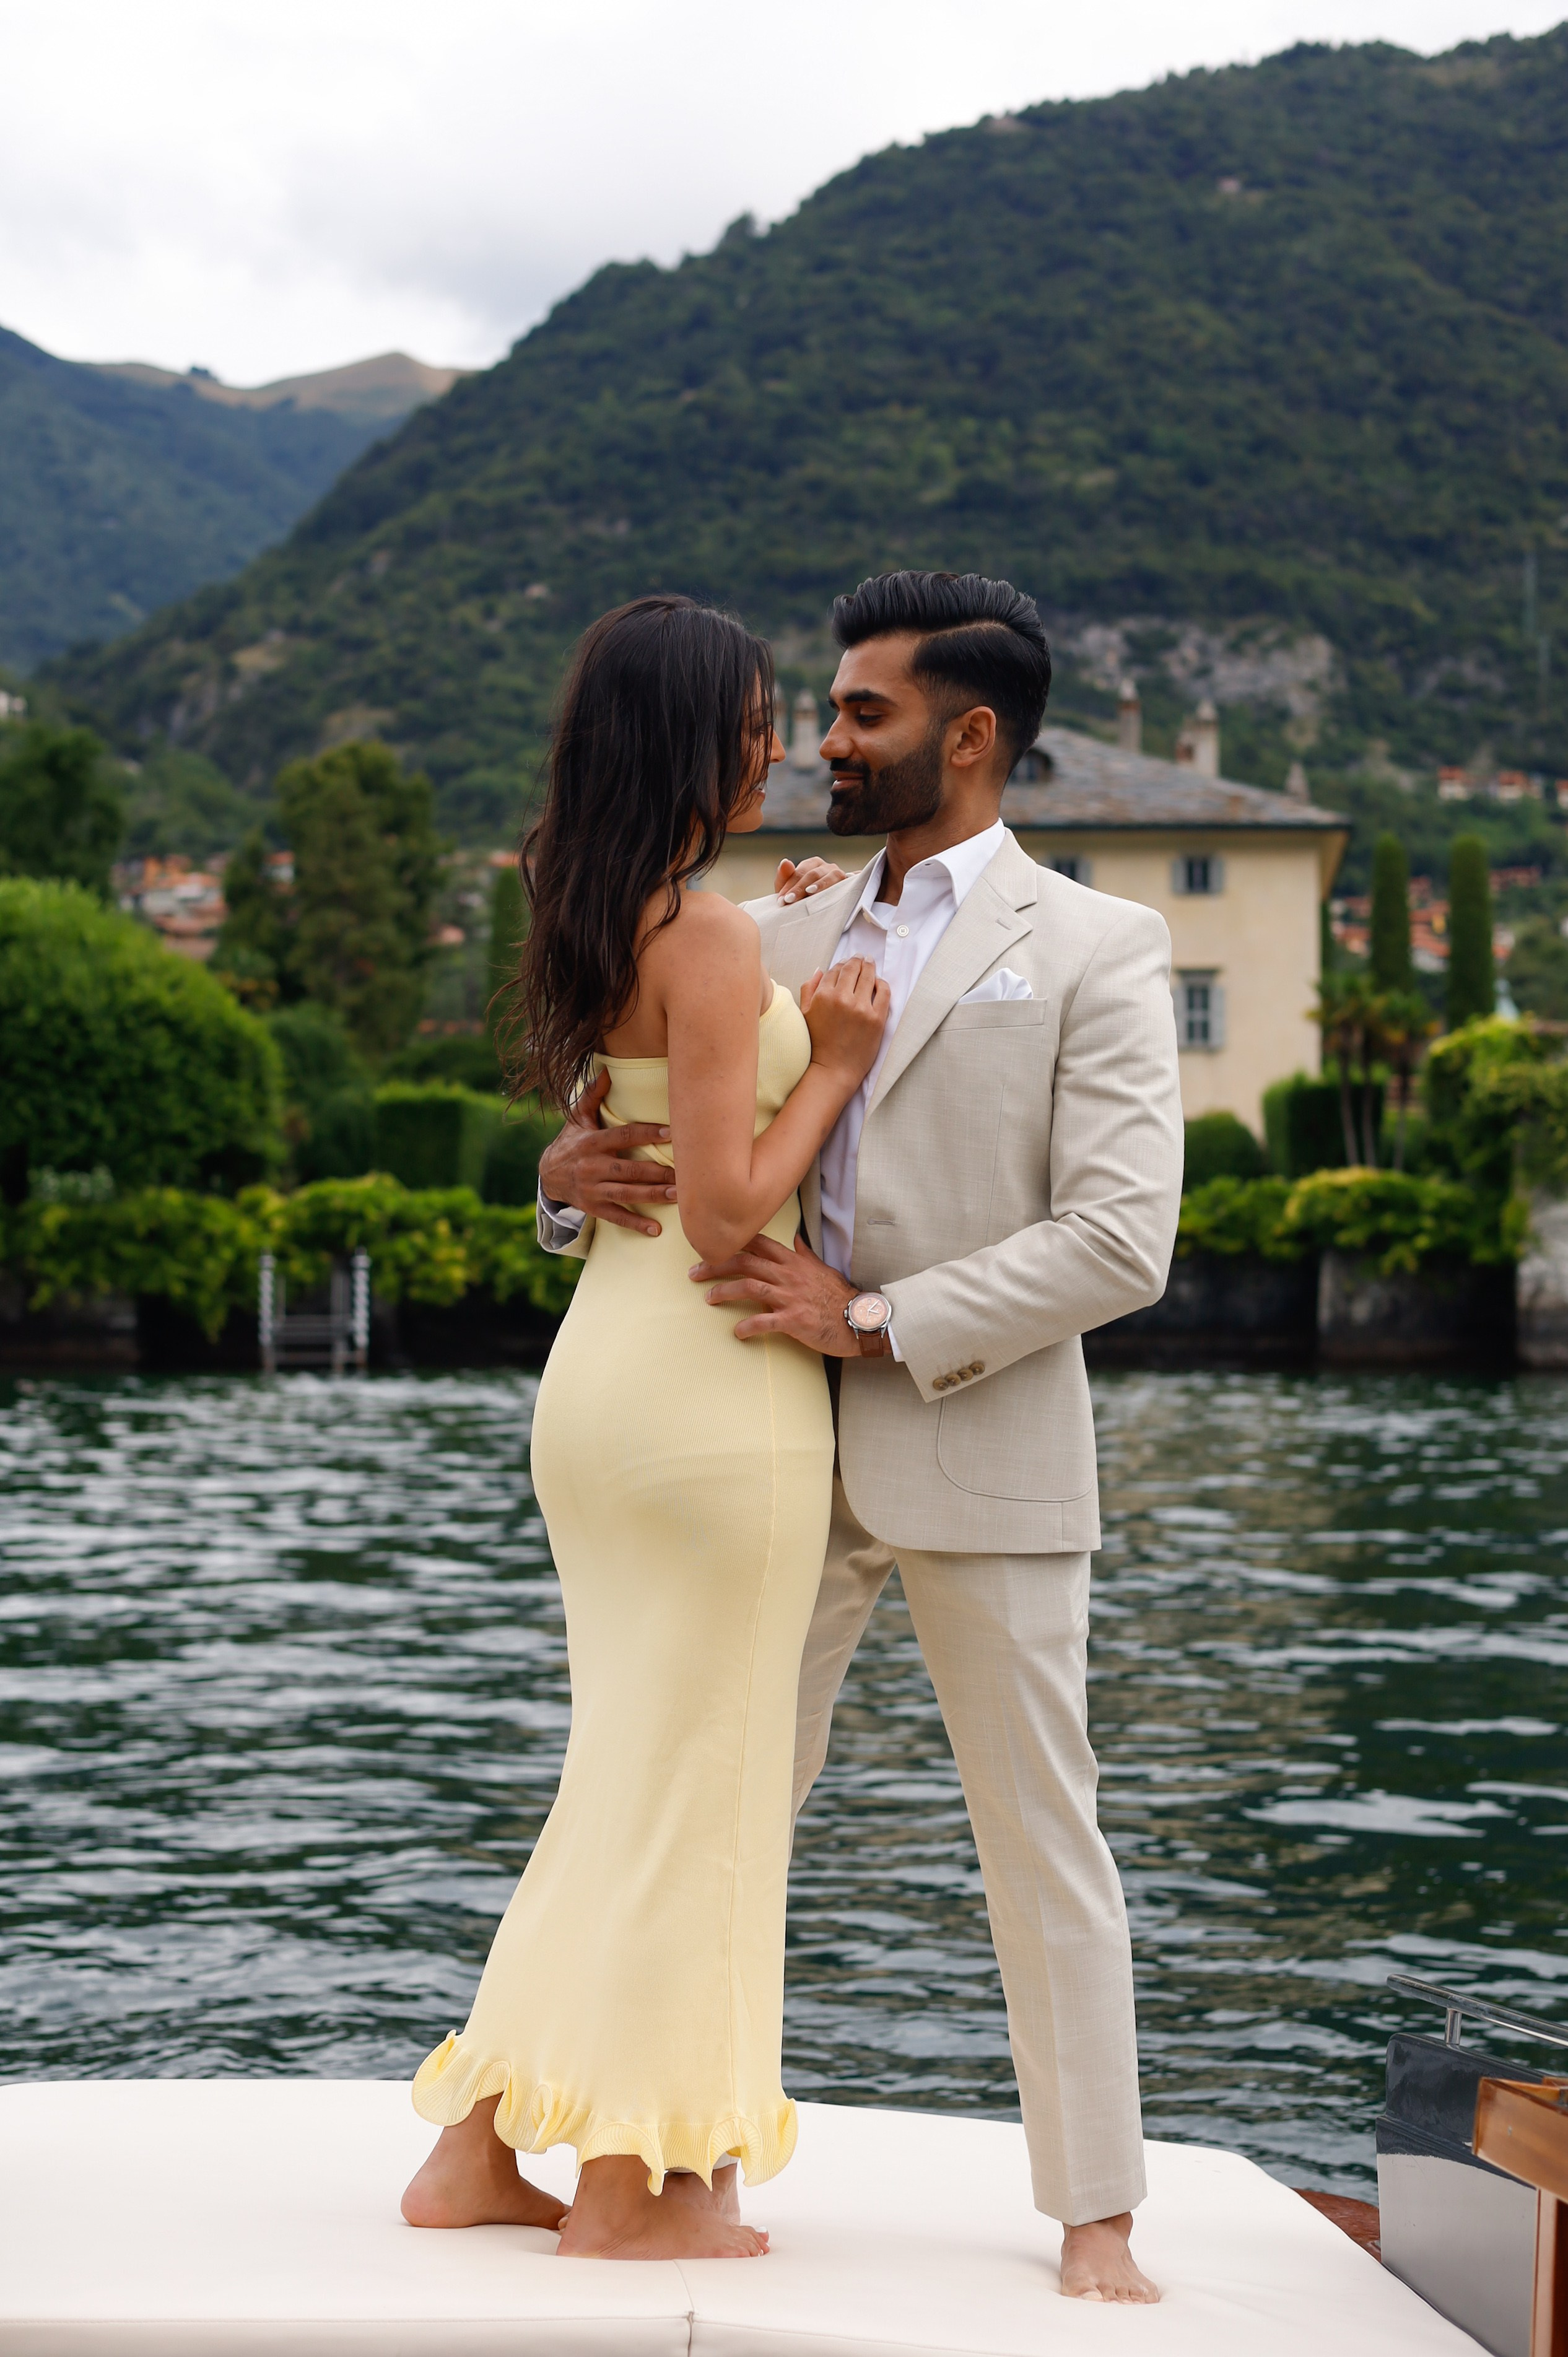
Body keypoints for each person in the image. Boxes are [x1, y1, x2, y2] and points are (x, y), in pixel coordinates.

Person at [537, 569, 1184, 2303]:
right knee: (712, 1809)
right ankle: (660, 2153)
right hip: (754, 1447)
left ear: (967, 738)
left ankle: (1098, 2220)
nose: (821, 739)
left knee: (1041, 1842)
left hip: (979, 1443)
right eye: (821, 710)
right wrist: (556, 1184)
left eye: (860, 714)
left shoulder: (1100, 946)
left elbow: (1122, 1242)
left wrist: (877, 1319)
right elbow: (642, 1126)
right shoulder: (770, 928)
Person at [401, 595, 889, 2260]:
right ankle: (638, 2189)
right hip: (712, 1388)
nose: (778, 747)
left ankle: (475, 2151)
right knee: (705, 1787)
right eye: (752, 723)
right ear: (686, 738)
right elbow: (727, 1216)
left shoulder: (599, 907)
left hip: (601, 1388)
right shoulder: (710, 940)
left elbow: (626, 1126)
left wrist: (780, 941)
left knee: (624, 1770)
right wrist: (831, 1063)